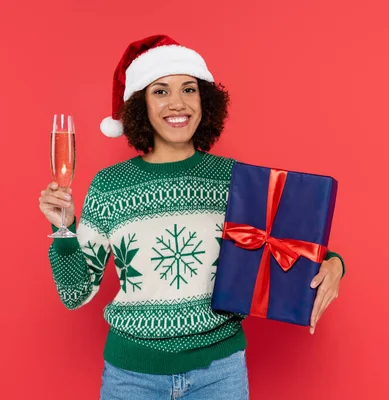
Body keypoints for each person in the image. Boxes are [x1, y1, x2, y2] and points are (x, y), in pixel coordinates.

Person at [38, 34, 345, 399]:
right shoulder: (109, 185)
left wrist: (335, 264)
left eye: (189, 89)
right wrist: (63, 228)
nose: (177, 103)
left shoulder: (236, 179)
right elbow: (75, 293)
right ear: (140, 104)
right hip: (131, 378)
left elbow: (286, 245)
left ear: (205, 100)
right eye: (160, 91)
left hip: (220, 375)